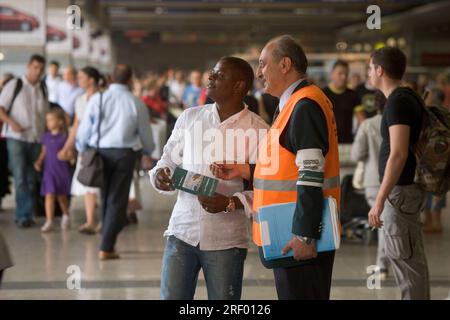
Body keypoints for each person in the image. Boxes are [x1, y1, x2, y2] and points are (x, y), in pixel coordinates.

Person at [211, 35, 341, 300]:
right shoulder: (294, 104)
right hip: (288, 231)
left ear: (284, 65)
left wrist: (305, 235)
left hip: (299, 237)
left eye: (262, 64)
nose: (259, 73)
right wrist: (246, 170)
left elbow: (311, 174)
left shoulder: (304, 106)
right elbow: (288, 165)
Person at [149, 57, 269, 300]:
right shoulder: (189, 118)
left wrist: (230, 202)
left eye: (219, 75)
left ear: (238, 86)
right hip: (182, 231)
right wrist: (161, 174)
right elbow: (167, 160)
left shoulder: (259, 131)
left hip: (226, 240)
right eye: (212, 73)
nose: (210, 78)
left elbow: (268, 190)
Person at [367, 46, 429, 300]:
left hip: (399, 192)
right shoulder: (407, 97)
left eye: (370, 68)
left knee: (406, 263)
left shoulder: (398, 102)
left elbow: (399, 153)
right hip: (404, 191)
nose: (369, 73)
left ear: (380, 70)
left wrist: (380, 200)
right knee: (409, 258)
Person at [76, 64, 154, 260]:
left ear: (111, 78)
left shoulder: (98, 99)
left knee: (106, 197)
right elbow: (146, 135)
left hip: (100, 154)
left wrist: (82, 148)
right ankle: (106, 245)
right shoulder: (135, 103)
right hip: (124, 155)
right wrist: (148, 151)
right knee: (117, 200)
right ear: (130, 80)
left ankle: (106, 238)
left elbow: (85, 128)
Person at [0, 54, 49, 228]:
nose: (38, 72)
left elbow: (45, 115)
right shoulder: (15, 85)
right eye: (35, 68)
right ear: (28, 66)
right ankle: (23, 215)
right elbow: (1, 109)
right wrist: (11, 123)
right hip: (17, 139)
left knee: (31, 177)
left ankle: (28, 212)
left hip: (36, 139)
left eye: (41, 69)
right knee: (20, 176)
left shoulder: (43, 88)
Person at [351, 90, 390, 279]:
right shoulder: (400, 124)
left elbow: (356, 155)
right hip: (398, 181)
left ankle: (382, 266)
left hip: (373, 182)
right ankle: (387, 263)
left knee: (382, 225)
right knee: (390, 224)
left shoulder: (367, 125)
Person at [59, 66, 102, 235]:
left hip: (103, 147)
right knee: (89, 185)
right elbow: (76, 126)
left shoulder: (103, 98)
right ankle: (91, 221)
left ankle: (105, 221)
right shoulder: (80, 100)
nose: (79, 80)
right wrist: (67, 147)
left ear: (91, 79)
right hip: (86, 148)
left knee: (104, 186)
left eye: (82, 77)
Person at [34, 108, 72, 232]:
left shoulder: (65, 137)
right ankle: (49, 220)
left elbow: (70, 154)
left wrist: (67, 156)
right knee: (49, 195)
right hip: (49, 171)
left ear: (60, 122)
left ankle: (66, 214)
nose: (48, 123)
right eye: (47, 120)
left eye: (51, 120)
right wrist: (39, 161)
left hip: (61, 171)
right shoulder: (45, 137)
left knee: (61, 196)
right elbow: (44, 151)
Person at [422, 87, 447, 234]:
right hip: (434, 157)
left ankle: (435, 222)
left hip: (436, 158)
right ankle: (430, 220)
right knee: (432, 189)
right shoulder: (439, 112)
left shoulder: (435, 114)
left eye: (428, 95)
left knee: (436, 190)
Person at [323, 60, 364, 143]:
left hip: (348, 142)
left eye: (346, 74)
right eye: (340, 73)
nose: (344, 77)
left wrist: (359, 137)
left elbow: (361, 119)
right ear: (332, 74)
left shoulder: (353, 94)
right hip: (327, 142)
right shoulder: (322, 93)